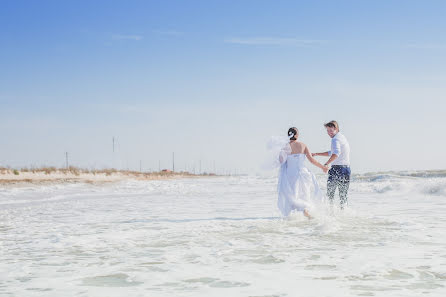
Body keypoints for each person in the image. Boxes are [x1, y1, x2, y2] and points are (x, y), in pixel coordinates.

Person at [277, 127, 328, 219]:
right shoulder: (303, 145)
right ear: (297, 135)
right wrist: (322, 167)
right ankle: (305, 210)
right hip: (302, 172)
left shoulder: (285, 147)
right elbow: (311, 160)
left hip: (290, 173)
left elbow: (281, 161)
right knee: (305, 193)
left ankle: (290, 217)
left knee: (292, 194)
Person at [312, 121, 351, 209]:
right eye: (327, 131)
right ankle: (344, 215)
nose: (329, 133)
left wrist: (326, 163)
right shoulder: (342, 137)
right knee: (343, 196)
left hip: (337, 169)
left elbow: (336, 153)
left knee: (330, 195)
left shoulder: (335, 139)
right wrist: (317, 153)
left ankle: (330, 214)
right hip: (346, 169)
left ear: (336, 129)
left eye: (331, 130)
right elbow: (332, 152)